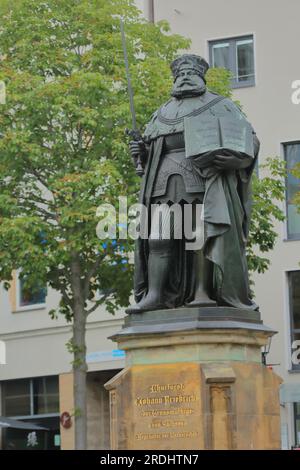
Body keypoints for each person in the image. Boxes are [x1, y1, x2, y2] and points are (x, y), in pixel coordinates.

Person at [127, 54, 259, 314]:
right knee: (158, 239)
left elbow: (249, 139)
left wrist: (236, 160)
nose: (185, 77)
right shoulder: (162, 111)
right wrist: (141, 152)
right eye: (180, 74)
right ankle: (155, 294)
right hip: (162, 183)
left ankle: (203, 292)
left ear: (202, 76)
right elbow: (154, 148)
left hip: (203, 178)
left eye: (190, 73)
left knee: (200, 236)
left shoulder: (220, 105)